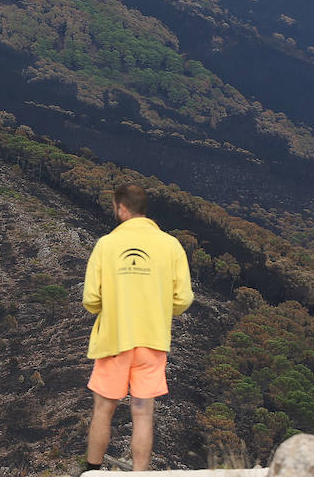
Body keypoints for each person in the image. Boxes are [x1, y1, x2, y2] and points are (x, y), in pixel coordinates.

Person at [81, 183, 193, 473]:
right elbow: (183, 299)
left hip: (114, 340)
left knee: (103, 410)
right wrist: (159, 309)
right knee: (143, 413)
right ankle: (139, 473)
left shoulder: (106, 244)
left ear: (121, 208)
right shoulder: (171, 245)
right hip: (152, 340)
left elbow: (91, 299)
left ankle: (91, 470)